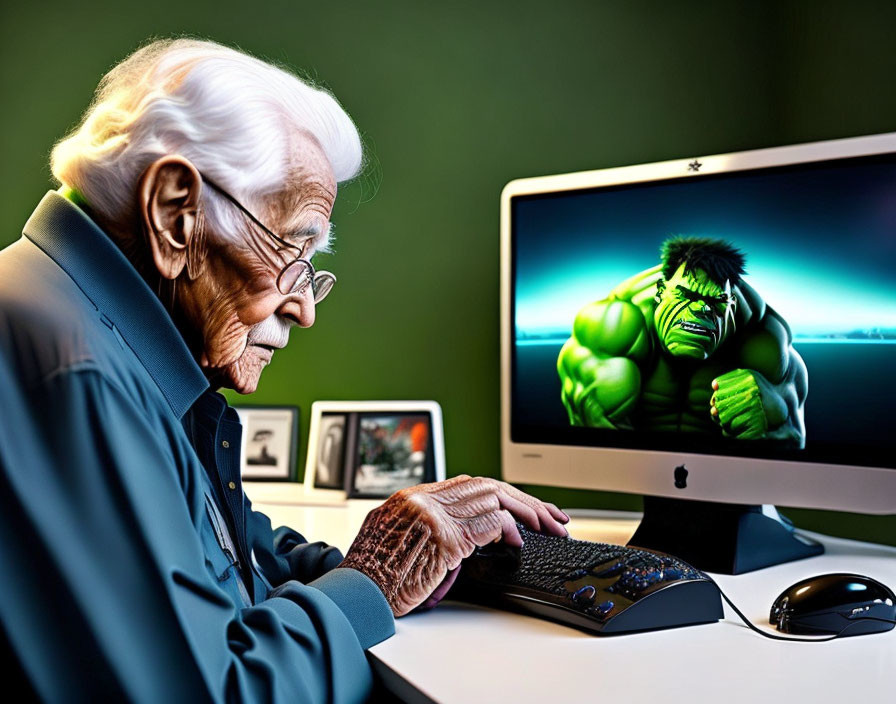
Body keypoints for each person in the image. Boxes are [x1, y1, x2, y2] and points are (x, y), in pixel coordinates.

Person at [0, 38, 569, 702]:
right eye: (294, 249)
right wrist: (373, 582)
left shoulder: (88, 325)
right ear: (174, 213)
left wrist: (402, 561)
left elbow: (223, 555)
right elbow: (214, 693)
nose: (303, 308)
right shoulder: (78, 372)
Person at [557, 236, 808, 447]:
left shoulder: (761, 338)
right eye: (686, 295)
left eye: (716, 301)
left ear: (731, 305)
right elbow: (591, 443)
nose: (701, 309)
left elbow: (794, 440)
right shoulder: (614, 326)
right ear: (660, 292)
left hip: (728, 487)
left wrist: (770, 419)